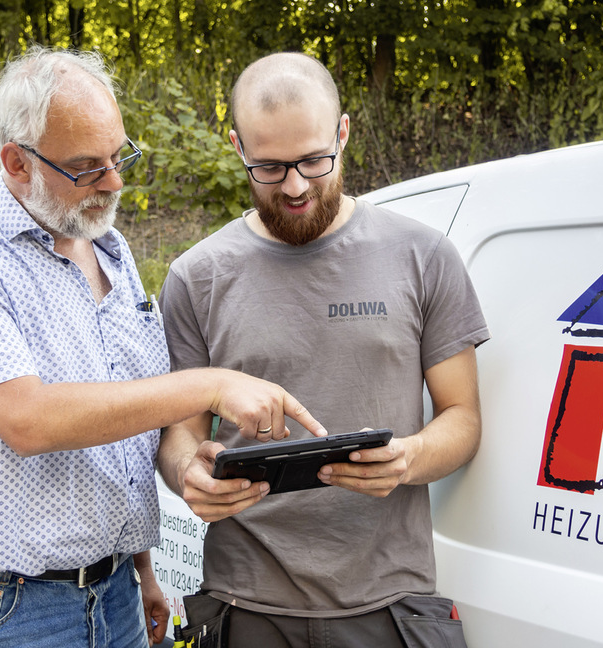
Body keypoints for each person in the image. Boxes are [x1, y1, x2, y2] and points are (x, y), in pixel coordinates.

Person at [0, 46, 325, 648]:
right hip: (2, 613)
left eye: (119, 155)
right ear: (16, 162)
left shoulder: (111, 250)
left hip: (116, 595)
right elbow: (29, 419)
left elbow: (124, 434)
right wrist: (211, 384)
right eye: (87, 167)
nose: (115, 181)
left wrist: (142, 567)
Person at [156, 52, 490, 647]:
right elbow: (177, 432)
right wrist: (188, 472)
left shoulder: (423, 257)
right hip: (244, 605)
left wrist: (409, 457)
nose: (295, 186)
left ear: (343, 132)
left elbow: (462, 418)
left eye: (314, 160)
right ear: (237, 147)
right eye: (270, 166)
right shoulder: (195, 277)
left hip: (391, 605)